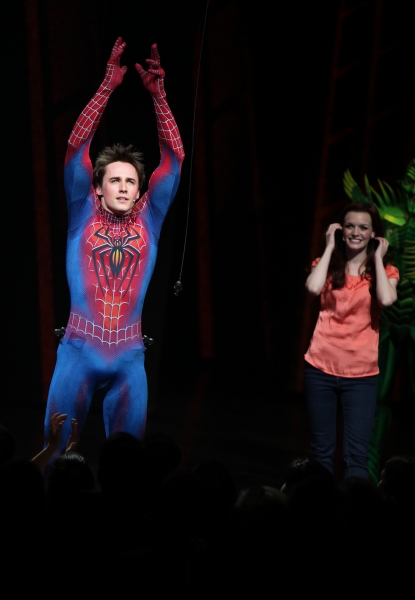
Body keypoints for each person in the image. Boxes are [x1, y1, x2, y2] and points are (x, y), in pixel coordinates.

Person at [43, 37, 185, 464]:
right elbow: (74, 148)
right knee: (54, 457)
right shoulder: (81, 211)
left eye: (131, 182)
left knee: (128, 468)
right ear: (98, 187)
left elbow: (174, 158)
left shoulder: (150, 219)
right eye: (114, 180)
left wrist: (158, 96)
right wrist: (107, 87)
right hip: (79, 352)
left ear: (141, 190)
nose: (123, 187)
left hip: (128, 360)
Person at [303, 201, 399, 480]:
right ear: (340, 229)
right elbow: (311, 288)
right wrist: (330, 247)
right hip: (319, 368)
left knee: (356, 457)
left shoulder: (386, 271)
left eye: (363, 227)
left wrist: (378, 258)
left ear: (374, 234)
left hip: (360, 376)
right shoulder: (325, 265)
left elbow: (386, 299)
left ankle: (355, 518)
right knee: (321, 453)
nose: (356, 232)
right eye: (349, 226)